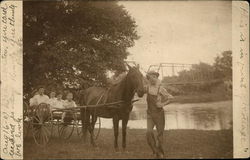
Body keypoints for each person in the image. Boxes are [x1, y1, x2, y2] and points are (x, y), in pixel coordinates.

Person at [145, 70, 174, 158]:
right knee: (148, 132)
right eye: (151, 77)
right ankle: (154, 150)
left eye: (154, 77)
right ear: (148, 79)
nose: (153, 79)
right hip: (150, 114)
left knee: (159, 135)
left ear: (157, 78)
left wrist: (162, 104)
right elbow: (138, 92)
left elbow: (171, 98)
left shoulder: (160, 88)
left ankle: (160, 153)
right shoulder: (147, 88)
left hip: (159, 114)